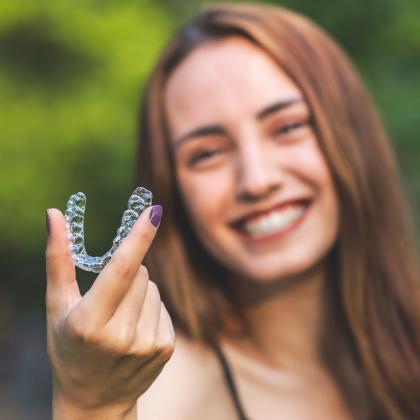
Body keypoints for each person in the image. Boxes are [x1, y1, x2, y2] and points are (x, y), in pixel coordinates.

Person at [45, 4, 420, 420]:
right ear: (172, 190)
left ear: (352, 136)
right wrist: (92, 405)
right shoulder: (161, 396)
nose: (257, 180)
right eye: (207, 153)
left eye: (288, 127)